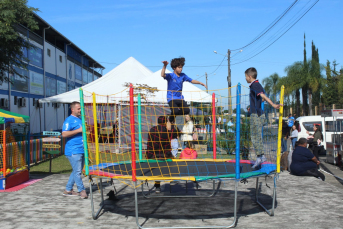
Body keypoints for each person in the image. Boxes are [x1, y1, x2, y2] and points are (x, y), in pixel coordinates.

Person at [245, 67, 281, 169]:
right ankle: (260, 156)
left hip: (256, 115)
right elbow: (259, 99)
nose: (245, 79)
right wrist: (251, 107)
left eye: (246, 77)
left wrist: (273, 104)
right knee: (256, 136)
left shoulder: (255, 85)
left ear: (250, 76)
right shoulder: (254, 85)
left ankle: (261, 156)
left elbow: (263, 96)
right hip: (255, 112)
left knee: (254, 136)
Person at [62, 101, 88, 199]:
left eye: (80, 108)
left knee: (76, 171)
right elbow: (64, 134)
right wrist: (79, 130)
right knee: (77, 172)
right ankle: (82, 190)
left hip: (81, 149)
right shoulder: (69, 120)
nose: (80, 110)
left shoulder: (80, 119)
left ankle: (68, 190)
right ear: (72, 109)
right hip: (73, 150)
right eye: (78, 108)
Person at [146, 116, 173, 193]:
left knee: (156, 171)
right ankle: (171, 181)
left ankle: (157, 186)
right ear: (165, 122)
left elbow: (149, 143)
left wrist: (149, 154)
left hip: (153, 154)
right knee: (165, 169)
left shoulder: (152, 129)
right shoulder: (167, 131)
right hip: (164, 155)